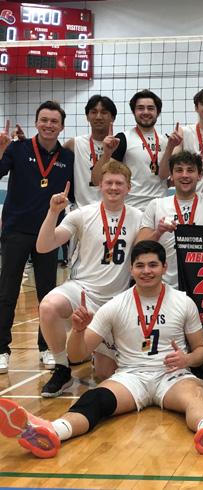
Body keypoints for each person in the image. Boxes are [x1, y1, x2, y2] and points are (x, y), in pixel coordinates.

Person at [0, 240, 203, 458]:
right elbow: (76, 355)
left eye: (153, 265)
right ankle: (51, 431)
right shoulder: (115, 305)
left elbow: (202, 349)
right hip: (131, 376)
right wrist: (78, 330)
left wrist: (187, 359)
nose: (146, 271)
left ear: (164, 267)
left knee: (195, 395)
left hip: (172, 375)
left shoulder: (183, 302)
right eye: (140, 265)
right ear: (131, 269)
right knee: (96, 399)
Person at [36, 161, 142, 397]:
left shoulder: (139, 217)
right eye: (109, 182)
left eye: (119, 183)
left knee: (105, 373)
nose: (113, 187)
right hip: (82, 291)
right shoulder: (82, 214)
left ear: (129, 188)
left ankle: (94, 351)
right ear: (100, 185)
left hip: (116, 300)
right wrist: (53, 212)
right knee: (49, 306)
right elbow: (43, 246)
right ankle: (61, 368)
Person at [0, 102, 74, 374]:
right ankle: (1, 350)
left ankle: (46, 347)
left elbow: (76, 191)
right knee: (7, 293)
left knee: (47, 294)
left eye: (54, 121)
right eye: (44, 120)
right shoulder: (17, 149)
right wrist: (0, 150)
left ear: (62, 126)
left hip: (48, 234)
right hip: (16, 231)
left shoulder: (67, 157)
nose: (49, 125)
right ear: (36, 122)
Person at [136, 151, 203, 288]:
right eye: (179, 170)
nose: (185, 175)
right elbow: (139, 247)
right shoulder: (157, 204)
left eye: (190, 170)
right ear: (171, 175)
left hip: (202, 285)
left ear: (199, 175)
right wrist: (158, 232)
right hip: (167, 285)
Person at [92, 90, 169, 211]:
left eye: (150, 108)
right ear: (134, 112)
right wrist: (106, 153)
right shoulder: (123, 139)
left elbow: (165, 178)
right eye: (140, 108)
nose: (145, 112)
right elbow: (96, 180)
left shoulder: (167, 141)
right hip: (133, 208)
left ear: (157, 112)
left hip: (160, 208)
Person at [63, 95, 118, 208]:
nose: (98, 117)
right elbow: (50, 155)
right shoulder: (75, 143)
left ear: (112, 117)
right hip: (82, 210)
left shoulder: (119, 145)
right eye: (93, 112)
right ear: (87, 117)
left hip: (111, 209)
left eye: (104, 112)